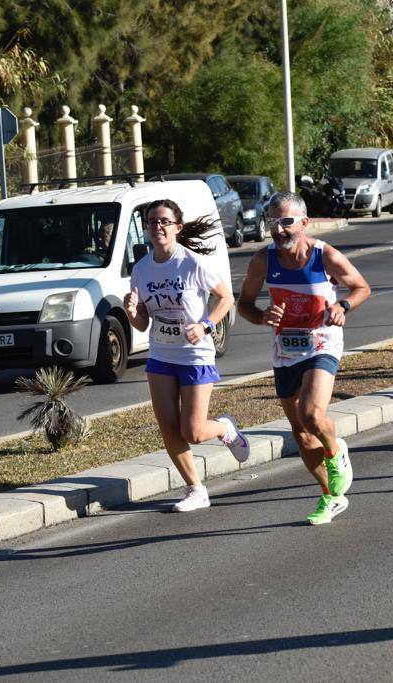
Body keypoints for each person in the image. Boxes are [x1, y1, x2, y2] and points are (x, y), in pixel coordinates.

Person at [237, 192, 370, 525]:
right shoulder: (263, 260)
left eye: (286, 222)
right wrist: (261, 316)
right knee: (300, 433)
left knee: (311, 414)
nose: (279, 230)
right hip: (285, 348)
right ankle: (331, 496)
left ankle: (336, 451)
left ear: (304, 223)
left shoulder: (325, 256)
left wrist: (342, 306)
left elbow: (361, 287)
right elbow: (245, 304)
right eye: (272, 222)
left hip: (322, 342)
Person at [123, 199, 249, 512]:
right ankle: (196, 489)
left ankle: (224, 429)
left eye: (164, 221)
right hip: (161, 356)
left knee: (192, 432)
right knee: (168, 428)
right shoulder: (141, 270)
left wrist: (205, 326)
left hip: (194, 356)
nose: (157, 227)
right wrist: (130, 312)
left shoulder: (192, 263)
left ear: (177, 227)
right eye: (151, 221)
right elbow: (143, 321)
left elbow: (226, 298)